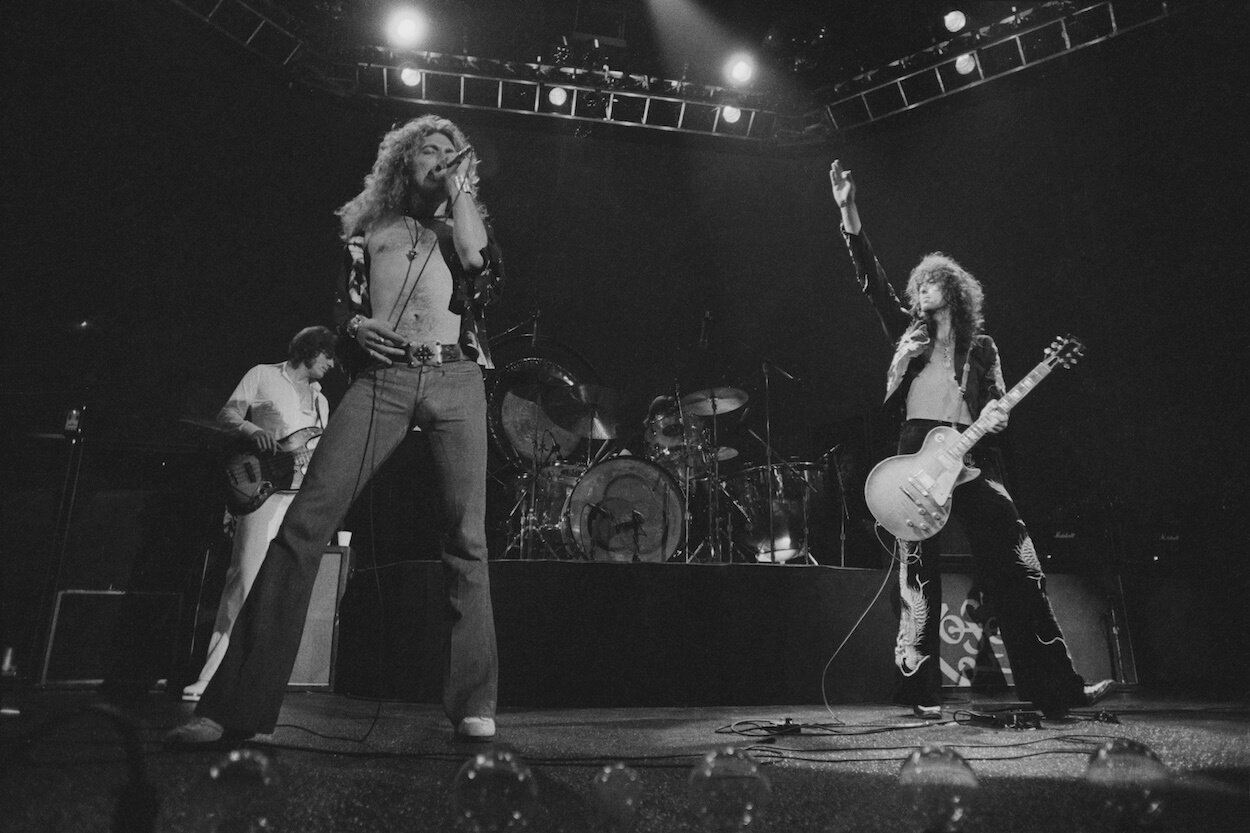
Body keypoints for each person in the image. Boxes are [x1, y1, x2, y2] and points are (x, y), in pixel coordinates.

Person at [167, 114, 504, 745]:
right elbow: (342, 309)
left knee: (467, 539)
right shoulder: (368, 230)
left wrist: (460, 194)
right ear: (403, 161)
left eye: (450, 151)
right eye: (427, 148)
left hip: (457, 378)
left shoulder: (463, 220)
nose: (439, 156)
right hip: (384, 381)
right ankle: (233, 707)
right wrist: (353, 331)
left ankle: (474, 704)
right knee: (303, 525)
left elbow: (478, 260)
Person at [828, 160, 1112, 719]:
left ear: (952, 292)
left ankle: (1058, 687)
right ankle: (918, 693)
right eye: (918, 286)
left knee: (1021, 563)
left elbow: (998, 402)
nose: (920, 289)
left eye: (931, 282)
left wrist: (1000, 415)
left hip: (974, 455)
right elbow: (870, 277)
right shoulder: (905, 333)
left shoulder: (983, 349)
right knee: (917, 579)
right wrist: (847, 210)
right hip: (915, 456)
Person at [182, 326, 337, 702]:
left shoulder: (321, 401)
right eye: (328, 356)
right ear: (311, 351)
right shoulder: (263, 375)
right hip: (261, 492)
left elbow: (317, 451)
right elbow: (227, 415)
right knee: (244, 581)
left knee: (281, 587)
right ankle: (212, 679)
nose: (332, 364)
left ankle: (258, 682)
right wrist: (253, 430)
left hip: (298, 499)